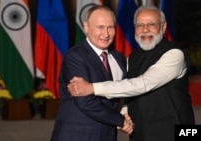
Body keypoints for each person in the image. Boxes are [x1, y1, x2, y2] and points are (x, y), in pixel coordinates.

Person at [68, 5, 195, 141]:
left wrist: (92, 88)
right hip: (143, 133)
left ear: (163, 27)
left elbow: (142, 84)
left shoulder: (175, 54)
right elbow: (129, 92)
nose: (145, 30)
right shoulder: (132, 57)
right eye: (139, 25)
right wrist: (125, 113)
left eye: (151, 24)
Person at [50, 5, 134, 141]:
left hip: (107, 135)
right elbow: (86, 102)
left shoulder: (119, 59)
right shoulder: (75, 57)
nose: (106, 34)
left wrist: (125, 112)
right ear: (86, 27)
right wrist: (121, 120)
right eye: (100, 27)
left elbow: (124, 91)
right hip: (76, 135)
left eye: (110, 27)